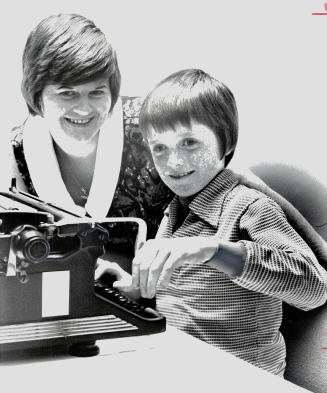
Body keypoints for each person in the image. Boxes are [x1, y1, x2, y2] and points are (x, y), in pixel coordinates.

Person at [99, 68, 327, 376]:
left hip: (243, 379)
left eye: (189, 142)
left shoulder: (251, 207)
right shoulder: (173, 212)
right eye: (159, 148)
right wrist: (131, 287)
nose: (173, 162)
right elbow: (184, 299)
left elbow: (314, 289)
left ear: (226, 143)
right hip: (180, 368)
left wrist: (215, 250)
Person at [9, 13, 171, 250]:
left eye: (96, 92)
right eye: (67, 93)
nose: (84, 109)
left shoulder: (151, 125)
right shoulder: (18, 149)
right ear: (37, 94)